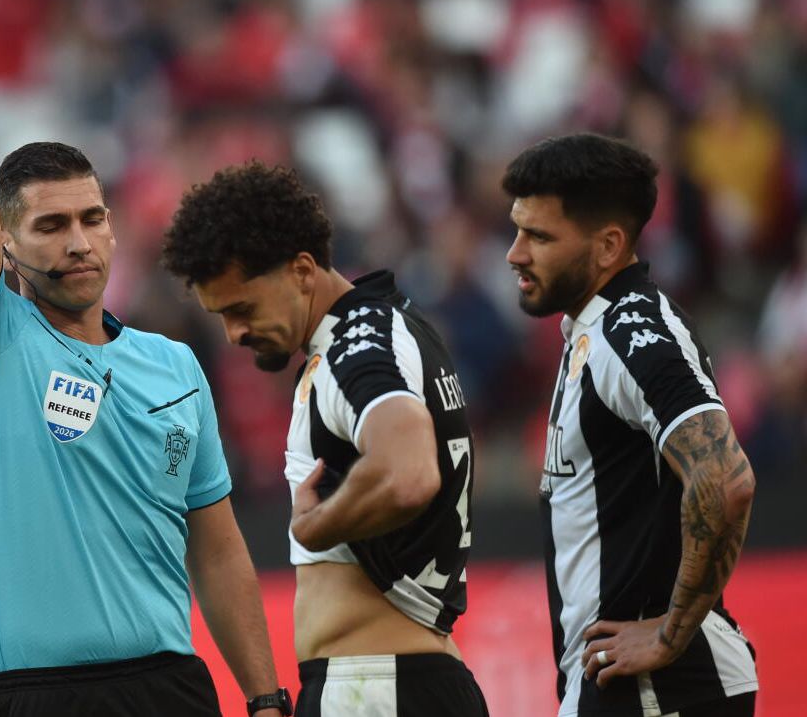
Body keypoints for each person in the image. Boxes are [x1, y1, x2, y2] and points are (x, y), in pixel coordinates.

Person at [0, 0, 290, 717]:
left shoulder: (175, 366)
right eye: (50, 225)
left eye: (91, 218)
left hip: (169, 691)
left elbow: (218, 550)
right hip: (32, 698)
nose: (78, 241)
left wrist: (264, 698)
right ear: (7, 245)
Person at [161, 162, 488, 717]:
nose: (234, 333)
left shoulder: (353, 352)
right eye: (219, 315)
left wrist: (315, 526)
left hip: (376, 686)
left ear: (303, 270)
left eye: (242, 308)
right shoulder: (395, 329)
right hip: (408, 679)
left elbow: (407, 471)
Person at [502, 133, 758, 717]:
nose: (515, 253)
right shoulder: (594, 332)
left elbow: (726, 478)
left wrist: (670, 632)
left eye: (538, 236)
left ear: (609, 245)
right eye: (517, 230)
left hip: (659, 690)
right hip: (623, 685)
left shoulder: (630, 334)